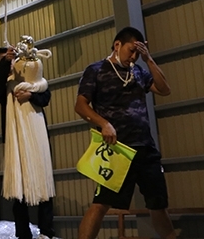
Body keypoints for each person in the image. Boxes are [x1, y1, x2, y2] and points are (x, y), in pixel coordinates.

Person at [75, 27, 175, 239]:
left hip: (145, 149)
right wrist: (103, 123)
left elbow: (164, 89)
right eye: (131, 50)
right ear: (117, 45)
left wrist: (148, 60)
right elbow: (81, 105)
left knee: (158, 205)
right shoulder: (96, 70)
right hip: (118, 150)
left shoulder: (138, 71)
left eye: (138, 52)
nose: (133, 56)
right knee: (101, 204)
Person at [0, 44, 59, 239]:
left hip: (38, 139)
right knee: (18, 188)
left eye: (12, 59)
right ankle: (23, 234)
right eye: (5, 60)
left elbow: (45, 96)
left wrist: (31, 95)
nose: (11, 62)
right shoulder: (4, 87)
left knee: (44, 182)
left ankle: (47, 232)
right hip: (16, 140)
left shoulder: (34, 82)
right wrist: (5, 65)